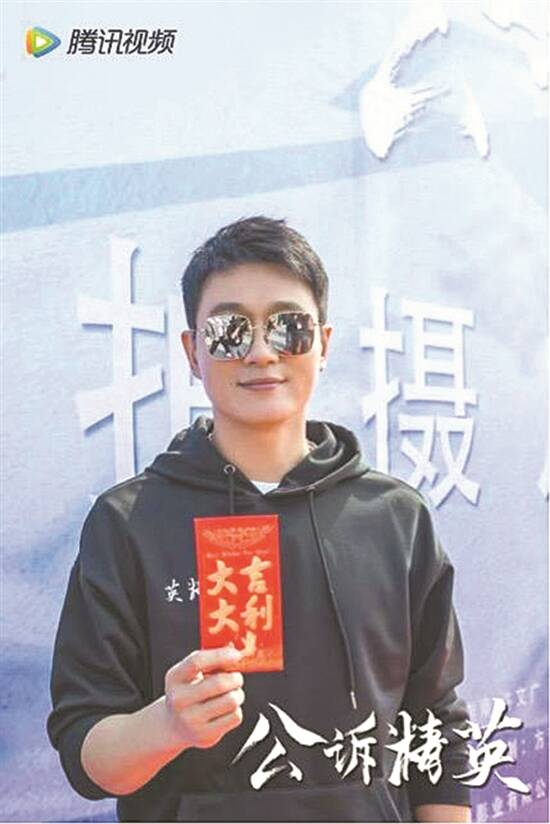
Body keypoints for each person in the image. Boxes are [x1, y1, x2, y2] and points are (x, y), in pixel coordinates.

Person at [47, 216, 472, 823]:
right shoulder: (129, 524)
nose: (261, 352)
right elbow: (85, 754)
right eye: (229, 331)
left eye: (288, 327)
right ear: (192, 352)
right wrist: (167, 725)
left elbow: (437, 725)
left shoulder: (395, 518)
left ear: (323, 343)